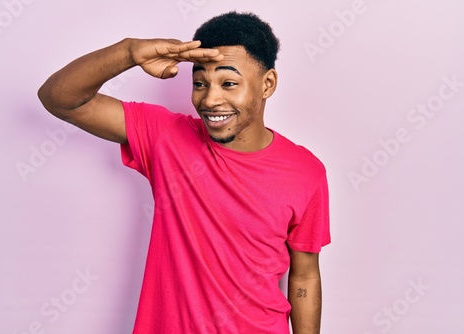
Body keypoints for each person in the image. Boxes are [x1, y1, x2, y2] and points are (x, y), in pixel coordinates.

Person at [38, 11, 330, 334]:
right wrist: (129, 52)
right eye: (200, 83)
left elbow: (304, 276)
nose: (210, 99)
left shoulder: (306, 173)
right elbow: (60, 99)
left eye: (228, 83)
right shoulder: (167, 138)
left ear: (267, 84)